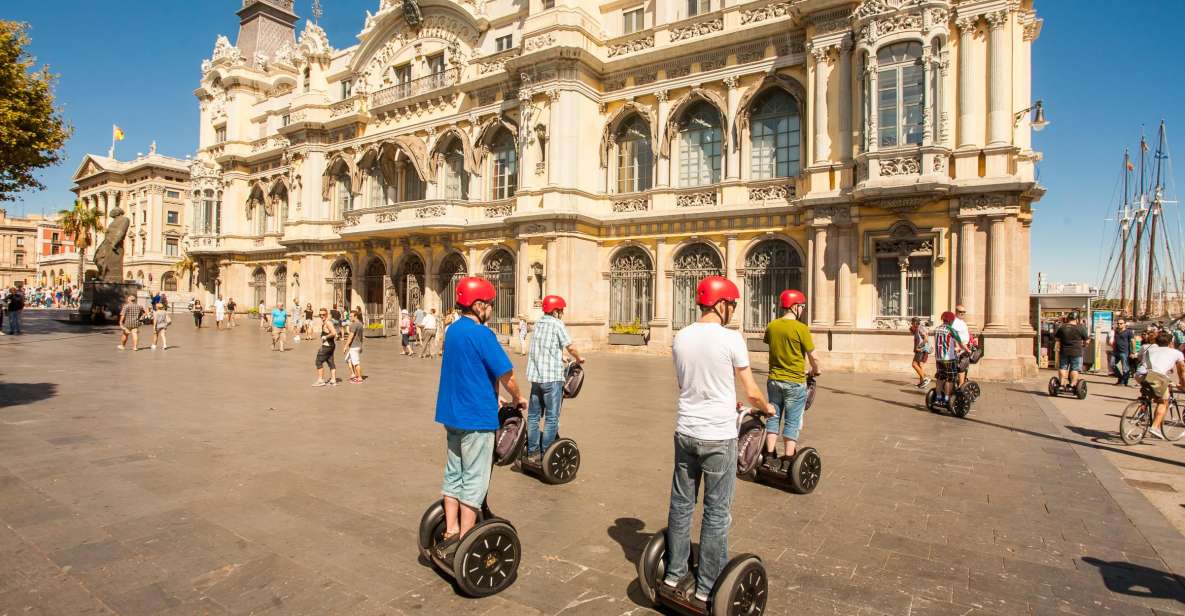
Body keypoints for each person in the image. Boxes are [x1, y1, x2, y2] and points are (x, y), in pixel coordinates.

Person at [663, 276, 775, 609]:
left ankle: (673, 573)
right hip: (717, 436)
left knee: (681, 505)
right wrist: (765, 406)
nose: (733, 311)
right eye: (733, 304)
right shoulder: (731, 338)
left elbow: (686, 383)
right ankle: (707, 586)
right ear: (721, 304)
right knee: (716, 511)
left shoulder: (680, 337)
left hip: (685, 431)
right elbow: (751, 389)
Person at [432, 277, 527, 560]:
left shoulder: (453, 330)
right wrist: (517, 397)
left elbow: (466, 369)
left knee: (454, 474)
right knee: (475, 478)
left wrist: (490, 393)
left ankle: (450, 531)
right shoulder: (482, 334)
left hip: (452, 413)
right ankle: (465, 538)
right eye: (489, 304)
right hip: (476, 417)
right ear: (478, 305)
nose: (491, 309)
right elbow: (506, 374)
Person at [524, 295, 584, 464]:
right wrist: (578, 358)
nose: (562, 313)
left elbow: (545, 348)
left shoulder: (538, 324)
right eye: (561, 310)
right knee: (552, 417)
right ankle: (546, 453)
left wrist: (562, 357)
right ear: (556, 311)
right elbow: (570, 346)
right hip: (552, 379)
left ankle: (532, 452)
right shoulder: (557, 324)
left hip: (536, 378)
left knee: (534, 416)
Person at [762, 289, 821, 464]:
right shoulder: (801, 328)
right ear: (795, 306)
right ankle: (788, 458)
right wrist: (816, 369)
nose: (802, 309)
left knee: (773, 417)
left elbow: (772, 347)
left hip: (774, 380)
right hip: (794, 381)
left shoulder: (772, 326)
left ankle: (769, 455)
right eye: (802, 306)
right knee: (792, 421)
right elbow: (814, 356)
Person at [1136, 330, 1185, 440]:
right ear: (1170, 342)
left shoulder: (1150, 349)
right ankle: (1154, 427)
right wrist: (1182, 383)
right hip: (1156, 377)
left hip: (1140, 374)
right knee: (1163, 401)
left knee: (1153, 391)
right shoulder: (1176, 353)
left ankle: (1142, 412)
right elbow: (1182, 370)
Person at [933, 311, 969, 406]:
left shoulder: (936, 329)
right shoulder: (951, 330)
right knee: (950, 379)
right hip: (949, 358)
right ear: (951, 320)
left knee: (940, 377)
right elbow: (960, 343)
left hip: (938, 358)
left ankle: (938, 397)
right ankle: (947, 399)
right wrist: (967, 350)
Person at [1053, 312, 1090, 390]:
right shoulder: (1080, 328)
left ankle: (1061, 385)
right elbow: (1087, 341)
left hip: (1064, 351)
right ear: (1076, 319)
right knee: (1075, 368)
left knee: (1063, 367)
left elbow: (1057, 338)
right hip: (1076, 352)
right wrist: (1085, 345)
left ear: (1068, 319)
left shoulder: (1062, 327)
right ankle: (1072, 385)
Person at [313, 308, 338, 386]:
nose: (321, 316)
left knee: (318, 361)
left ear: (327, 314)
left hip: (327, 346)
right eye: (320, 314)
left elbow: (334, 332)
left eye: (323, 314)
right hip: (331, 345)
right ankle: (333, 380)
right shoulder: (326, 322)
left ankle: (321, 380)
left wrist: (326, 337)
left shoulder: (328, 323)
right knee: (330, 361)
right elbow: (335, 334)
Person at [1111, 319, 1135, 386]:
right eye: (1118, 323)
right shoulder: (1116, 331)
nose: (1119, 325)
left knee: (1125, 367)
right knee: (1112, 365)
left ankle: (1124, 381)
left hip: (1124, 351)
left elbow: (1133, 341)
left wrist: (1133, 352)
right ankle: (1120, 377)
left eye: (1121, 323)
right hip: (1116, 351)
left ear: (1124, 324)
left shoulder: (1129, 332)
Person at [344, 308, 365, 383]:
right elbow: (361, 337)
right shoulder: (360, 324)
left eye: (351, 316)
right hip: (357, 345)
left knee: (356, 363)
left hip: (354, 346)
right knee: (348, 360)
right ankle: (353, 374)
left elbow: (351, 336)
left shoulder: (354, 324)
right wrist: (361, 346)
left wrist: (345, 346)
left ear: (355, 316)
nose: (350, 318)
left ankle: (359, 378)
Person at [910, 317, 931, 389]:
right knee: (919, 365)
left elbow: (926, 339)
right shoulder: (918, 328)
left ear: (915, 322)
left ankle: (925, 378)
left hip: (921, 350)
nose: (911, 324)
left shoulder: (920, 328)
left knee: (914, 364)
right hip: (921, 349)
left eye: (912, 323)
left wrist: (919, 347)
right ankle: (922, 382)